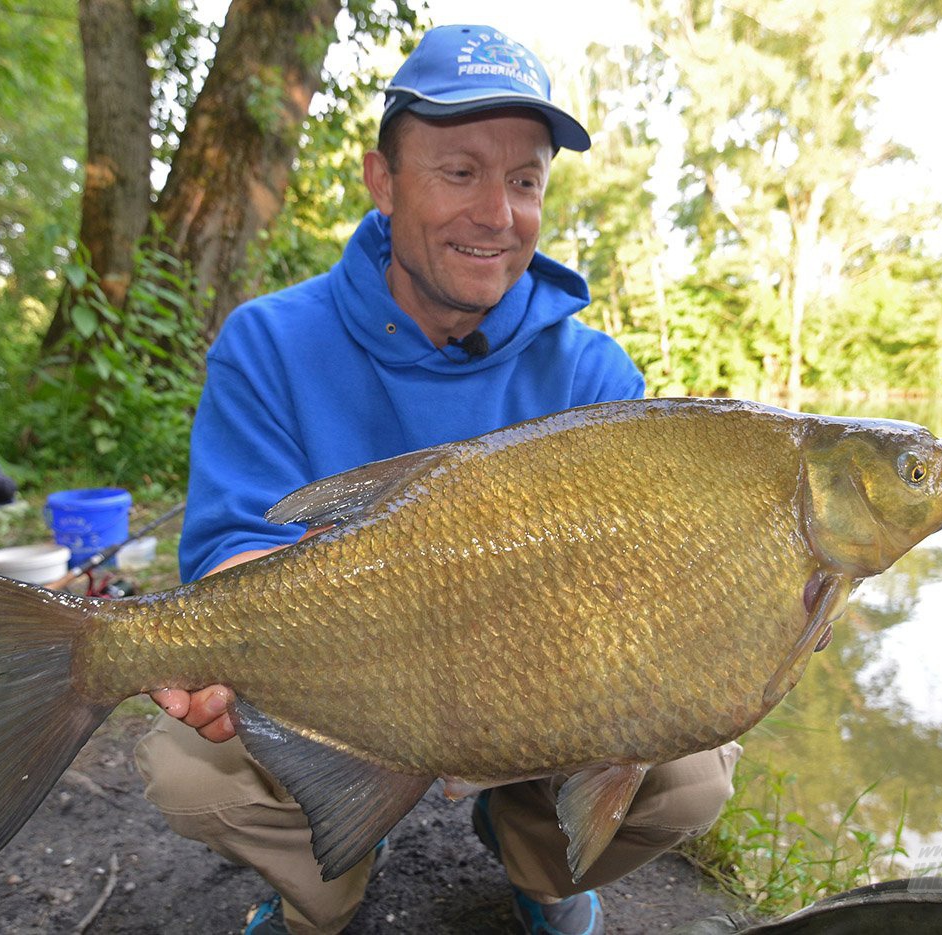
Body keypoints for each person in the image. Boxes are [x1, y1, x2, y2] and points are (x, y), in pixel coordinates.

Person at [135, 23, 741, 935]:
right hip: (342, 683)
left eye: (524, 179)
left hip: (538, 696)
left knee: (693, 769)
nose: (496, 214)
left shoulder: (595, 380)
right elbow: (232, 545)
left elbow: (637, 590)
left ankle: (543, 862)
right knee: (189, 767)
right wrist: (224, 644)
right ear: (383, 182)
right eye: (459, 172)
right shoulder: (267, 342)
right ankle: (329, 868)